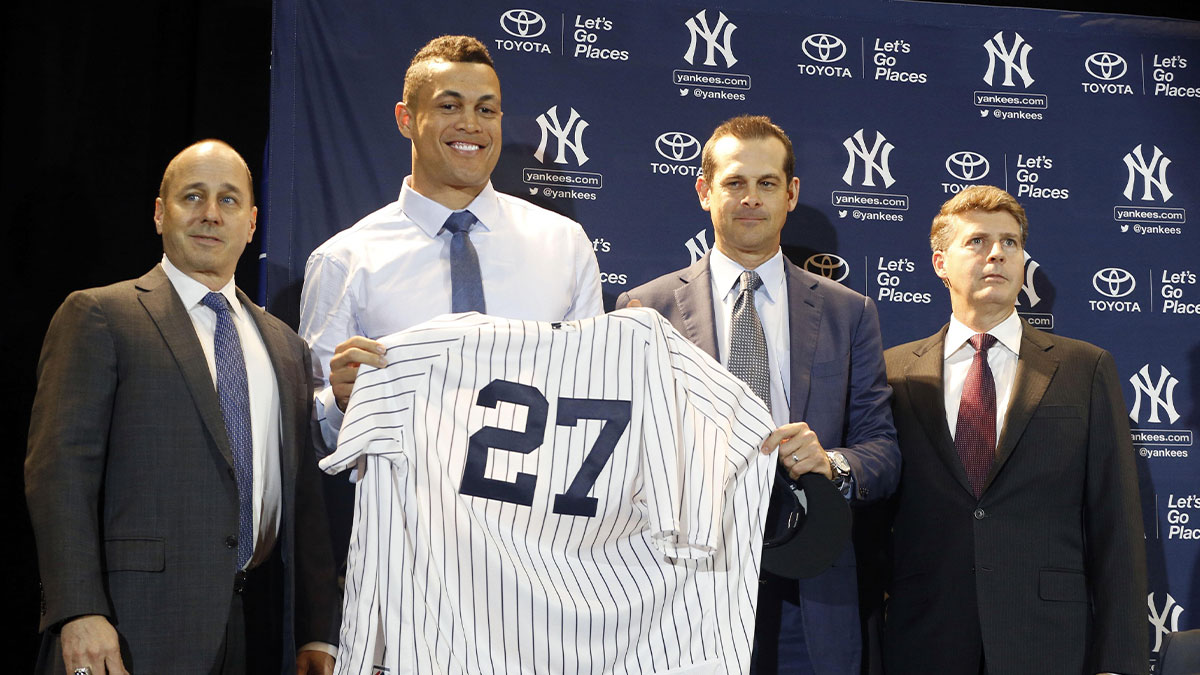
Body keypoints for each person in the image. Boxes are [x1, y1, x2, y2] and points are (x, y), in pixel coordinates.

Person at [25, 140, 340, 675]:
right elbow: (59, 476)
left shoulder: (287, 346)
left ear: (252, 222)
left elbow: (304, 502)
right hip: (129, 630)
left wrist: (316, 632)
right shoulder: (101, 316)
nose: (210, 214)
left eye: (228, 200)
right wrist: (78, 610)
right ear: (158, 213)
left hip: (259, 630)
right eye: (192, 196)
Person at [616, 115, 900, 675]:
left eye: (767, 183)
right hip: (684, 589)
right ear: (704, 191)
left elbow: (883, 452)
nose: (751, 198)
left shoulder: (849, 313)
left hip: (811, 587)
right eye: (734, 183)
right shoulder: (644, 313)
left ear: (791, 194)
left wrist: (832, 463)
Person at [883, 185, 1148, 674]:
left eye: (1010, 243)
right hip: (924, 638)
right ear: (940, 263)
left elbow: (1117, 523)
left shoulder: (1084, 368)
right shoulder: (894, 372)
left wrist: (1121, 661)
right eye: (978, 241)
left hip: (1048, 642)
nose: (997, 255)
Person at [300, 35, 602, 451]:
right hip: (403, 513)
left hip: (541, 513)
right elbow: (316, 438)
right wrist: (339, 402)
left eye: (486, 109)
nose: (471, 125)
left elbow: (594, 398)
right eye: (449, 106)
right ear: (406, 119)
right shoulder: (345, 260)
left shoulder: (564, 246)